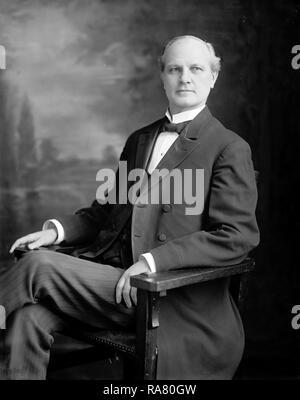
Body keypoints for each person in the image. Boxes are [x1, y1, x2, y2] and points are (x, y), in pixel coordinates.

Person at [0, 35, 259, 380]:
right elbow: (107, 212)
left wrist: (151, 262)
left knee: (38, 267)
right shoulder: (140, 139)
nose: (185, 77)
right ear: (162, 77)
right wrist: (54, 231)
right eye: (175, 69)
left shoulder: (229, 147)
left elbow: (236, 237)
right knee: (26, 318)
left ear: (213, 77)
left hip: (165, 295)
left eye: (196, 69)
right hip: (111, 282)